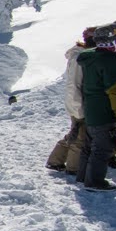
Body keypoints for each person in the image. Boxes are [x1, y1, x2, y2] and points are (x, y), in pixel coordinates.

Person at [76, 25, 116, 192]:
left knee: (89, 144)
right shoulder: (109, 60)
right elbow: (115, 90)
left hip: (91, 108)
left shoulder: (89, 57)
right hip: (104, 110)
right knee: (102, 147)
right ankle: (94, 182)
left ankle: (83, 176)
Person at [47, 27, 97, 175]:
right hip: (78, 103)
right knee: (81, 136)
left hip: (77, 102)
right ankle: (74, 167)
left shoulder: (81, 55)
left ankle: (56, 160)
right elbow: (74, 84)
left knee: (75, 133)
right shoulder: (79, 58)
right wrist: (78, 107)